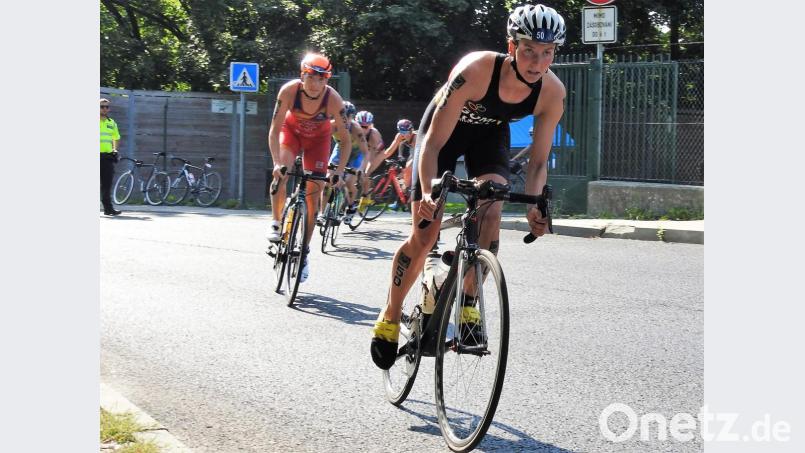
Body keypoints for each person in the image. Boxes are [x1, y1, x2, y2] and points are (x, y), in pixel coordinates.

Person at [370, 4, 567, 369]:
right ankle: (391, 315)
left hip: (488, 137)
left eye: (547, 52)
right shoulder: (475, 70)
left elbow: (539, 163)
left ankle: (469, 305)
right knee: (425, 234)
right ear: (512, 47)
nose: (537, 62)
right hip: (443, 136)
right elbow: (432, 145)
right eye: (529, 50)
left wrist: (534, 206)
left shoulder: (552, 92)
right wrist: (427, 193)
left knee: (492, 210)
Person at [266, 53, 352, 282]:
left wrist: (338, 171)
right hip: (291, 135)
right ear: (302, 76)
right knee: (281, 174)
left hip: (318, 142)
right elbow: (274, 130)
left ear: (327, 80)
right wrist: (276, 162)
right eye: (311, 77)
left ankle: (303, 252)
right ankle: (276, 223)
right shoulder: (288, 91)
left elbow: (346, 140)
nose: (315, 84)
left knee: (314, 198)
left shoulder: (334, 100)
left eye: (321, 79)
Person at [317, 101, 369, 225]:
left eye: (347, 117)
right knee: (328, 180)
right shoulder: (332, 126)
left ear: (352, 117)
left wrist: (361, 168)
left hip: (356, 154)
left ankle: (351, 207)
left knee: (349, 181)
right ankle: (322, 213)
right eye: (341, 116)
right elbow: (321, 144)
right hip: (340, 149)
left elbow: (365, 152)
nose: (344, 120)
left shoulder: (356, 129)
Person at [380, 119, 417, 211]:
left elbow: (418, 155)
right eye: (401, 132)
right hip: (412, 152)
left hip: (420, 152)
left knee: (408, 169)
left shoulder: (416, 137)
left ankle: (407, 196)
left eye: (406, 132)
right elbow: (390, 150)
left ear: (411, 130)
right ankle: (401, 200)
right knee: (400, 176)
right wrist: (379, 158)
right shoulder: (399, 136)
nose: (404, 134)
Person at [100, 98, 121, 216]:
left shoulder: (112, 122)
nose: (104, 109)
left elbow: (116, 137)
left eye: (106, 107)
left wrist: (115, 149)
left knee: (106, 184)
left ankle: (108, 209)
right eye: (102, 106)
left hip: (106, 157)